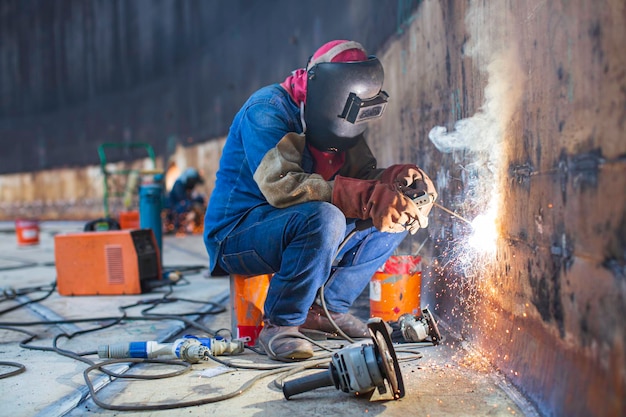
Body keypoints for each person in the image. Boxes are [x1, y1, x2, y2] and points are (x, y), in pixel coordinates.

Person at [203, 40, 437, 361]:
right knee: (327, 217)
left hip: (293, 226)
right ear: (328, 96)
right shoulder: (267, 111)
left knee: (392, 215)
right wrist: (369, 195)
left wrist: (395, 182)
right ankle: (281, 324)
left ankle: (325, 311)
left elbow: (361, 181)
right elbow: (282, 186)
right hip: (237, 234)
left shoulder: (339, 120)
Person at [168, 167, 205, 232]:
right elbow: (184, 200)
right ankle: (178, 227)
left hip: (180, 208)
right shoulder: (178, 185)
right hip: (174, 210)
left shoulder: (186, 187)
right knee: (186, 205)